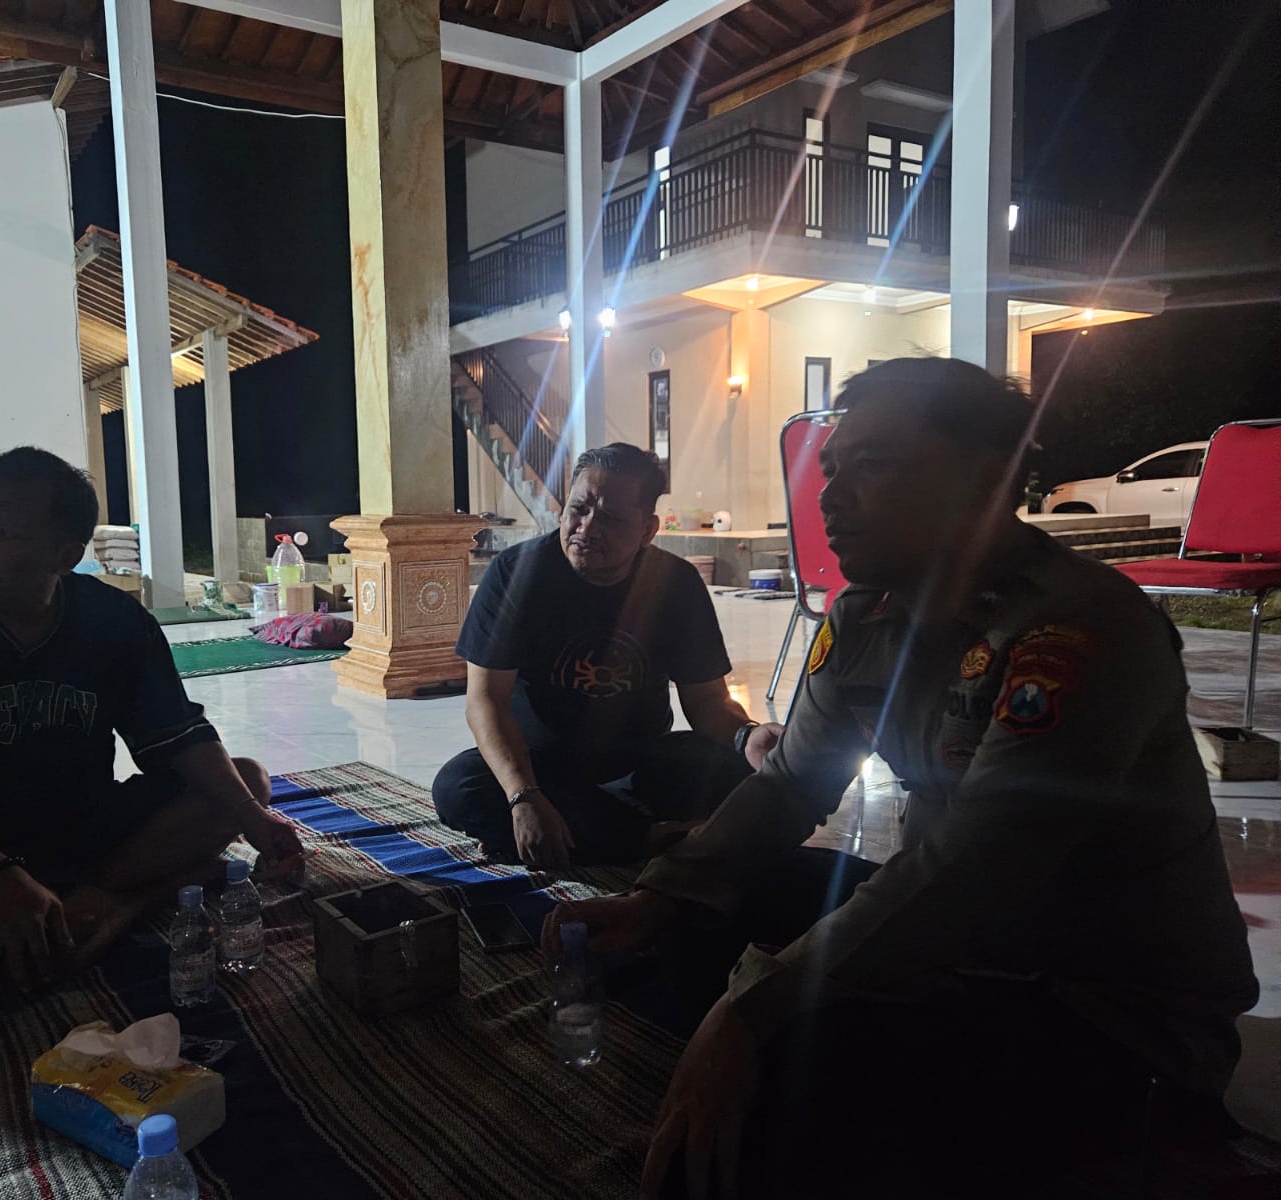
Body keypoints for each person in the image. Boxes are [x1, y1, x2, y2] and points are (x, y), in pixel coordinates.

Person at [544, 360, 1258, 1197]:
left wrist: (758, 1003)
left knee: (780, 1079)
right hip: (965, 947)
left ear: (984, 481)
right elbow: (790, 784)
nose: (830, 496)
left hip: (1105, 1005)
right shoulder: (864, 616)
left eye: (873, 464)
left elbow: (977, 869)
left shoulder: (1080, 628)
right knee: (702, 913)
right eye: (832, 468)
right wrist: (660, 897)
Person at [0, 447, 303, 997]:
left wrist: (253, 818)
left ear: (64, 555)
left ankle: (99, 898)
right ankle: (135, 897)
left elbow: (179, 737)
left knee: (246, 783)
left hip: (74, 832)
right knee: (3, 969)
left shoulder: (112, 620)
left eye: (3, 533)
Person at [433, 443, 778, 867]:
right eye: (578, 509)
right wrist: (523, 795)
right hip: (541, 766)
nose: (587, 528)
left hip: (641, 761)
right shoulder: (517, 573)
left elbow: (707, 701)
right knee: (459, 787)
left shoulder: (677, 584)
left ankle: (594, 834)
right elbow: (485, 700)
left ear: (648, 530)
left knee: (741, 772)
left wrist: (747, 736)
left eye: (610, 518)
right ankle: (648, 838)